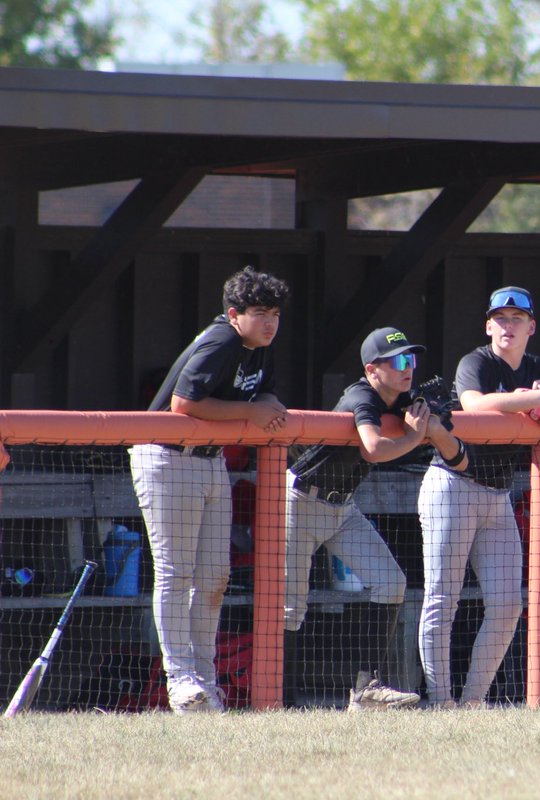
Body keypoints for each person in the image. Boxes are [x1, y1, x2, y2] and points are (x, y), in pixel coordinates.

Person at [417, 286, 540, 707]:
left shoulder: (539, 367)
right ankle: (441, 701)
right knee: (443, 599)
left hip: (497, 494)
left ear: (531, 327)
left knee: (506, 604)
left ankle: (472, 702)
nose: (508, 325)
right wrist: (535, 398)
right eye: (500, 318)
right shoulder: (477, 361)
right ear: (488, 325)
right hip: (452, 485)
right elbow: (473, 404)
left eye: (517, 318)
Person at [129, 266, 290, 713]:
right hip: (167, 458)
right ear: (234, 314)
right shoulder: (223, 340)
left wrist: (260, 410)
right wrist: (251, 412)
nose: (270, 322)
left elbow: (264, 403)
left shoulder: (261, 348)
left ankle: (206, 682)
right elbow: (184, 405)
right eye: (259, 313)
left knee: (215, 577)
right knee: (176, 574)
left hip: (211, 460)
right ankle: (180, 681)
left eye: (275, 313)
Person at [284, 327, 467, 711]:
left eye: (411, 360)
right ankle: (276, 699)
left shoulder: (405, 399)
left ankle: (366, 689)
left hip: (342, 507)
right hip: (300, 501)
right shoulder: (360, 394)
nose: (408, 368)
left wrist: (434, 426)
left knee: (391, 582)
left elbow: (460, 459)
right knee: (289, 607)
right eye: (399, 361)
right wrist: (416, 437)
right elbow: (372, 448)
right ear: (372, 369)